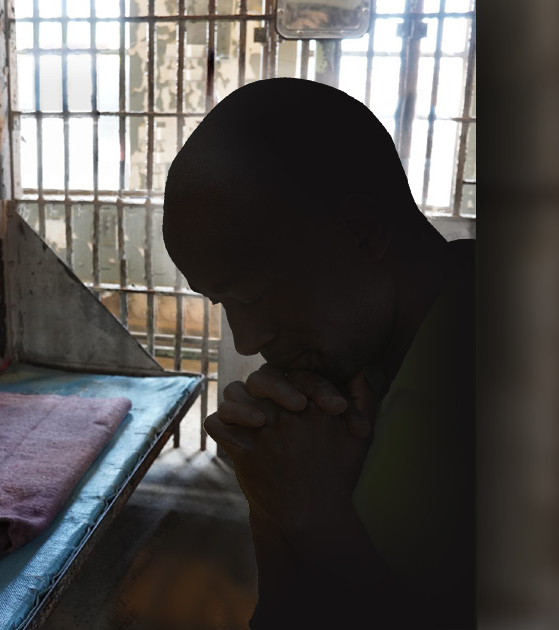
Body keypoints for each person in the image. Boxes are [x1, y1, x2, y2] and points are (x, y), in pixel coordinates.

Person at [162, 78, 475, 629]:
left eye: (254, 296)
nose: (246, 340)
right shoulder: (356, 376)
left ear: (360, 232)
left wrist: (313, 518)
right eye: (223, 304)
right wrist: (275, 497)